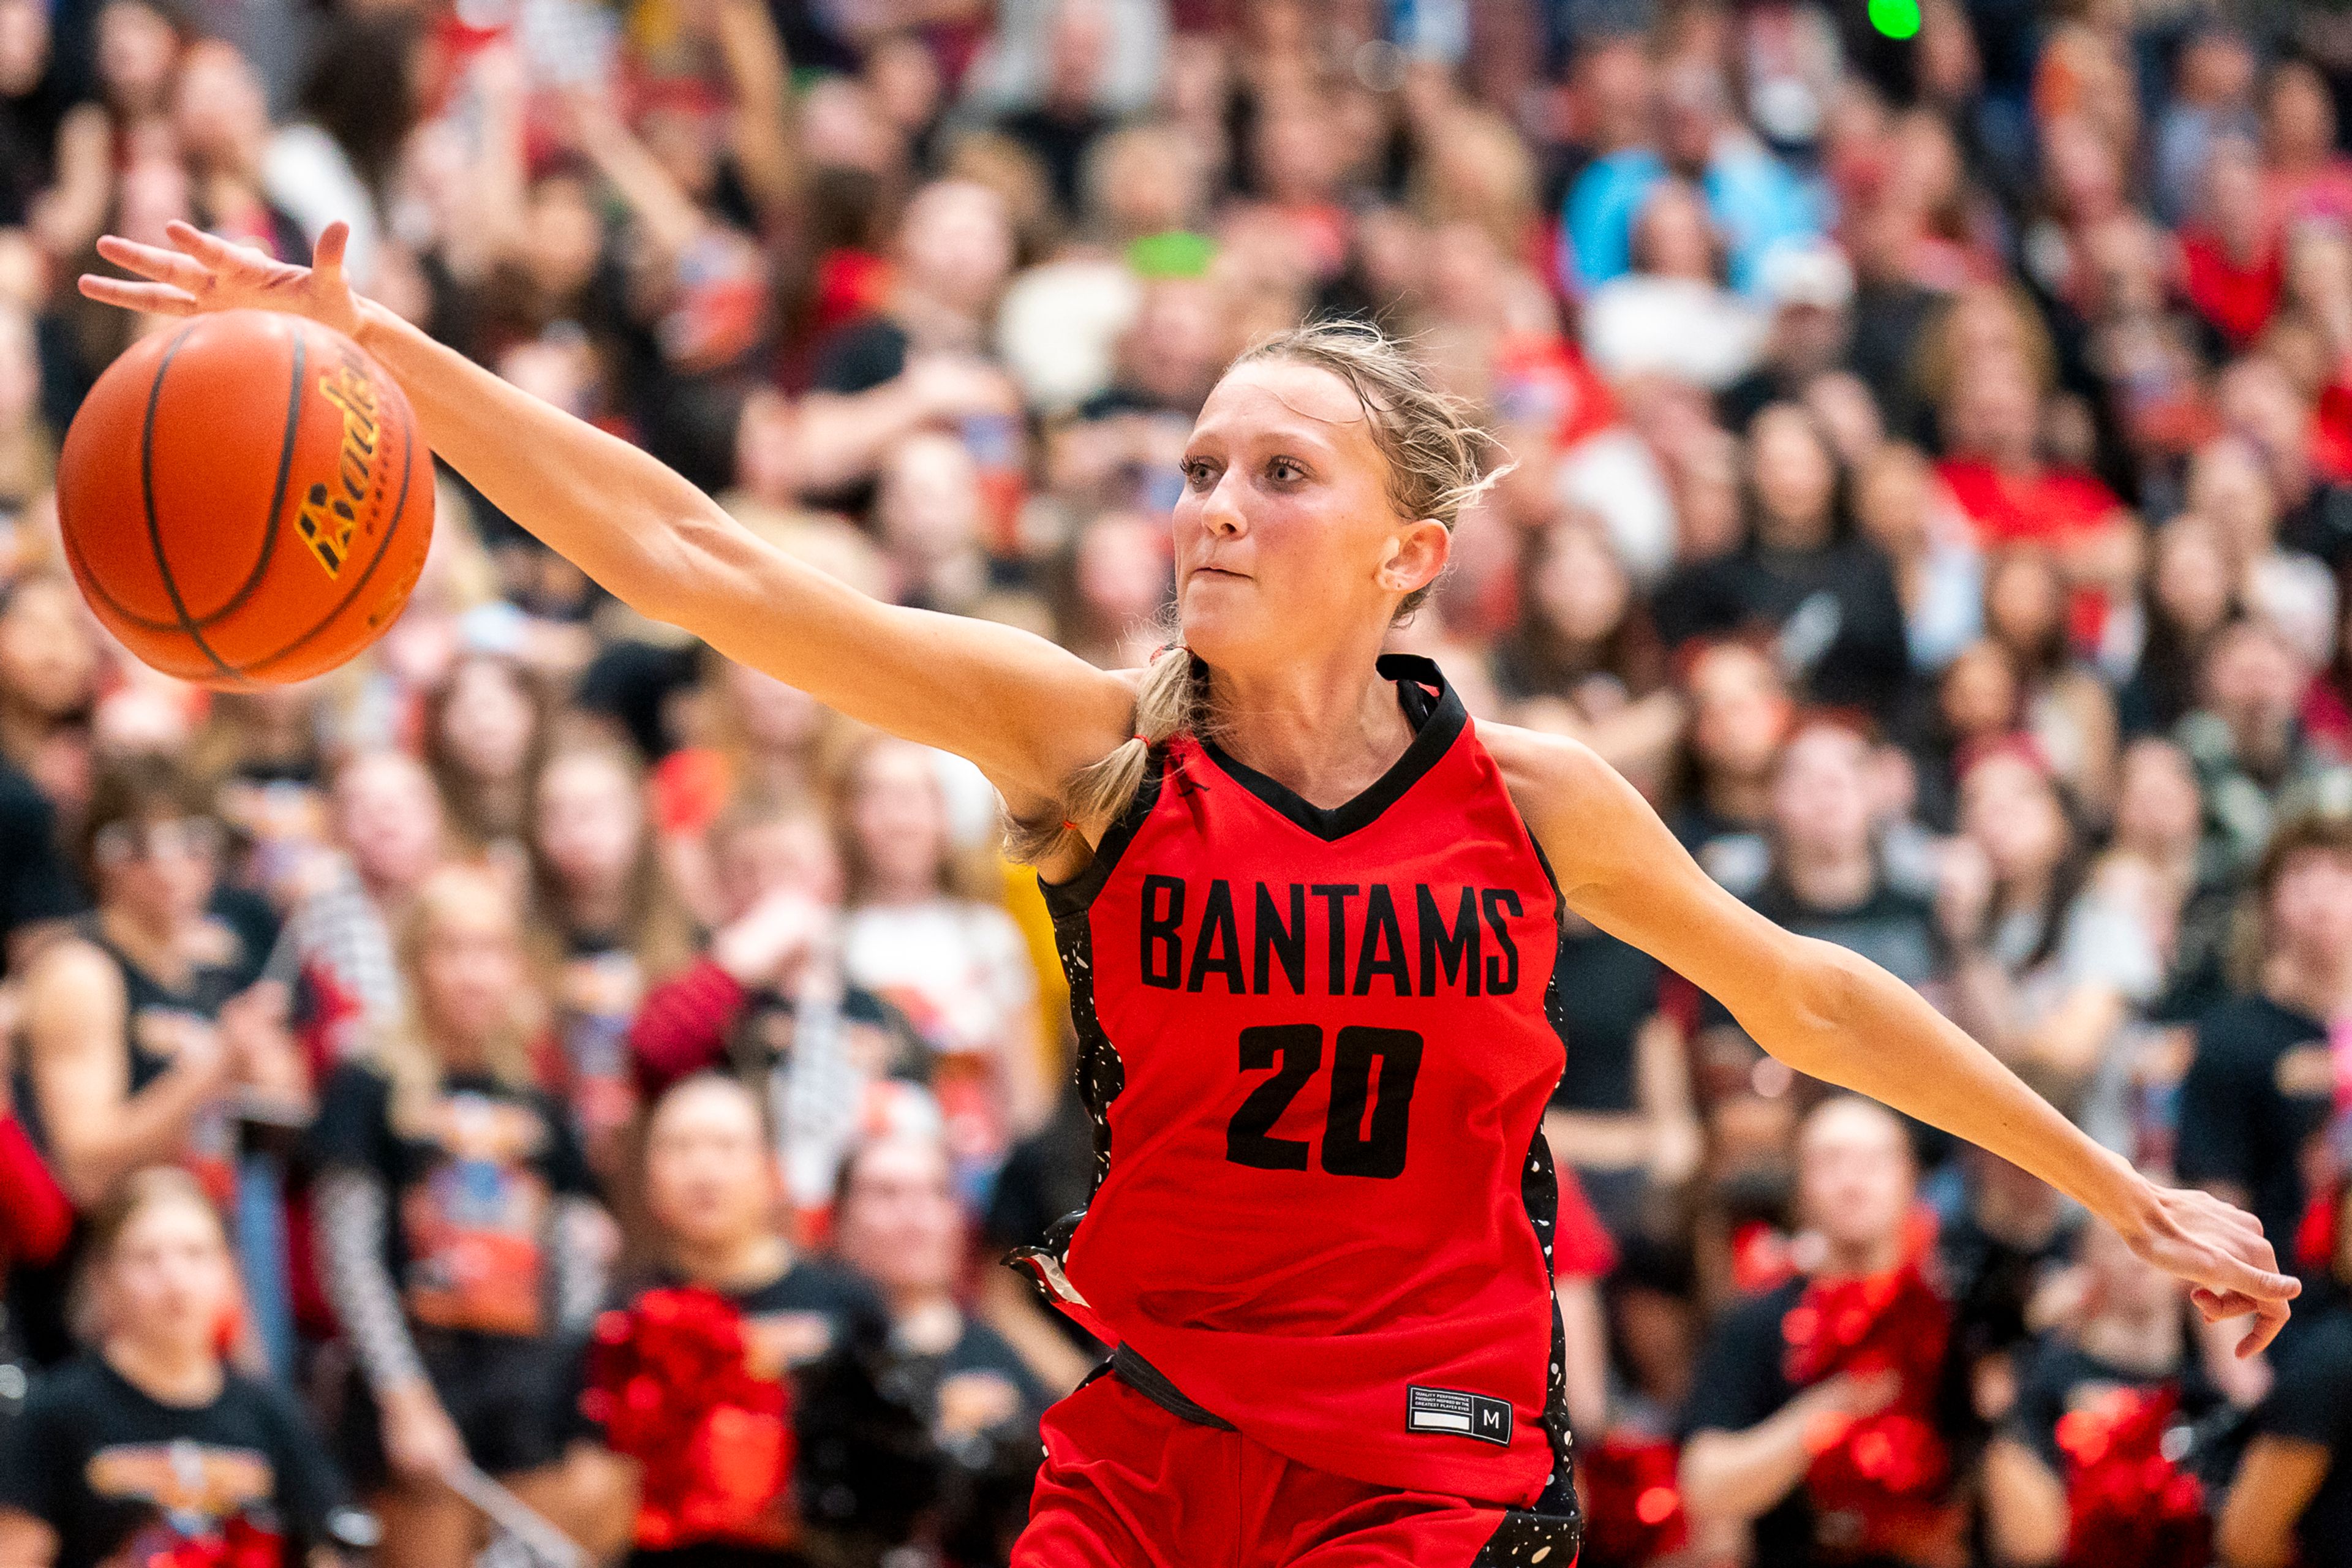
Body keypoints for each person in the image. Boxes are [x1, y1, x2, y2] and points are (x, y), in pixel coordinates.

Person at [85, 232, 2293, 1566]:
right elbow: (707, 565)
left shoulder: (1531, 799)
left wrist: (2118, 1186)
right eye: (1197, 466)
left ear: (1409, 549)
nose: (1211, 504)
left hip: (1420, 1466)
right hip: (1149, 1440)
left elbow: (1810, 992)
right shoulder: (1090, 749)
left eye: (1275, 469)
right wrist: (385, 356)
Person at [305, 867, 608, 1568]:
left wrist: (568, 1384)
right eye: (452, 950)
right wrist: (403, 1397)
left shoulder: (537, 1093)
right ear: (414, 962)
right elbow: (346, 1254)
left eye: (491, 950)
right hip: (416, 1377)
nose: (474, 973)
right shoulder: (367, 1080)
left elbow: (571, 1250)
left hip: (522, 1388)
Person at [584, 1072, 894, 1568]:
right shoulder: (623, 1315)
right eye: (680, 1148)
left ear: (772, 1172)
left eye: (727, 1147)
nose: (703, 1171)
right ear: (649, 1180)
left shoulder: (847, 1305)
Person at [0, 1168, 369, 1568]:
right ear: (104, 1278)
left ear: (229, 1272)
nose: (176, 1281)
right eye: (147, 1258)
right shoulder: (53, 1414)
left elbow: (329, 1551)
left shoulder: (274, 1415)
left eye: (195, 1254)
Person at [1678, 1096, 1961, 1568]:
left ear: (1911, 1180)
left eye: (1873, 1163)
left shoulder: (1949, 1319)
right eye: (1831, 1163)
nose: (1852, 1183)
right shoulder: (1758, 1321)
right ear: (1801, 1186)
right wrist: (1823, 1415)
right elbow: (1703, 1484)